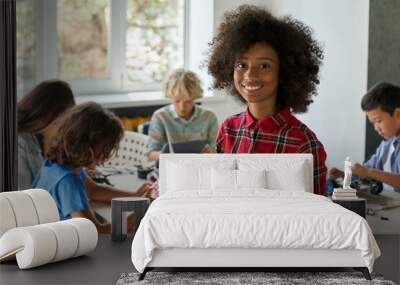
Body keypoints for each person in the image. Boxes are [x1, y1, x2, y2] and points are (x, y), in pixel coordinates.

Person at [207, 5, 327, 195]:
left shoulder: (303, 143)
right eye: (242, 64)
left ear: (284, 73)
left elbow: (318, 214)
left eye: (264, 66)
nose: (250, 75)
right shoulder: (228, 129)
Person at [32, 102, 156, 233]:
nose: (106, 155)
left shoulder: (55, 166)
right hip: (62, 246)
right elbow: (96, 231)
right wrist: (143, 209)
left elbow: (94, 191)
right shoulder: (67, 181)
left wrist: (136, 196)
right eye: (104, 149)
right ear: (86, 144)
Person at [329, 82, 400, 192]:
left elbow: (369, 171)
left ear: (398, 114)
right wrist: (346, 174)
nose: (376, 128)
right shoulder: (386, 145)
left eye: (378, 121)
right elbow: (367, 171)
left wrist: (369, 172)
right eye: (373, 123)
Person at [147, 69, 219, 161]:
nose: (182, 107)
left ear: (195, 97)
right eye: (177, 101)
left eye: (188, 101)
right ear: (170, 96)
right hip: (170, 169)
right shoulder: (160, 117)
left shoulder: (209, 117)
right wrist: (168, 155)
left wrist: (210, 153)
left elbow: (216, 151)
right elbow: (150, 155)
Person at [18, 80, 76, 190]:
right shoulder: (18, 141)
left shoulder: (39, 136)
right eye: (67, 116)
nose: (68, 123)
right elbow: (21, 193)